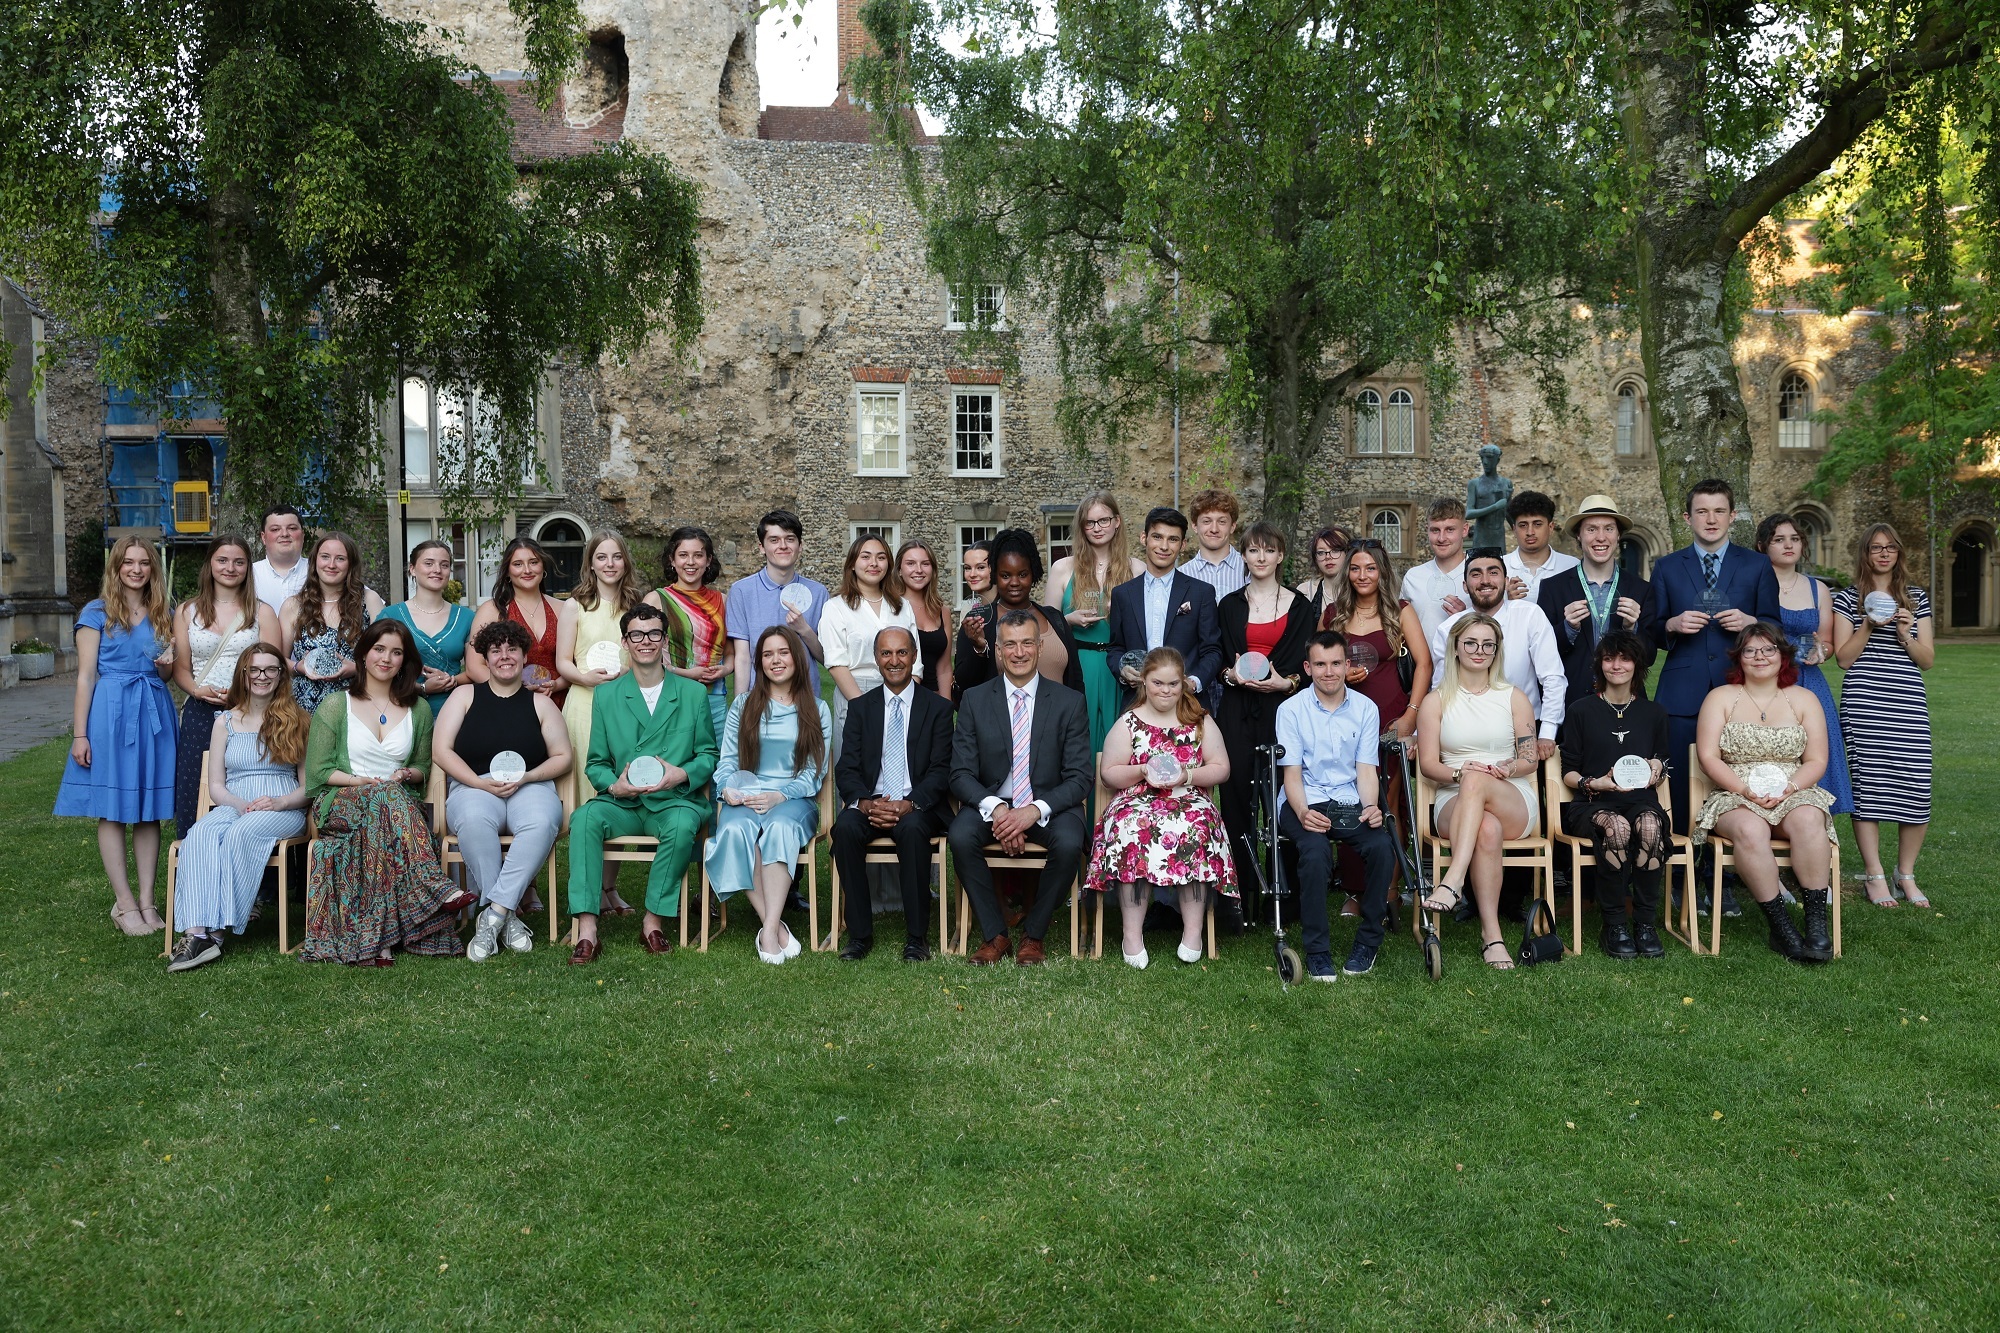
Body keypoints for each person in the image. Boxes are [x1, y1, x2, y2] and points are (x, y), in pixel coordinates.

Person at [299, 619, 469, 965]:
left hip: (395, 806)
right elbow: (317, 775)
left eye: (396, 652)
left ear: (405, 662)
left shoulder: (418, 709)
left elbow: (423, 768)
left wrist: (407, 772)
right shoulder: (335, 705)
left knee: (387, 800)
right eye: (379, 649)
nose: (386, 659)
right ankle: (434, 887)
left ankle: (379, 942)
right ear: (363, 655)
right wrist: (361, 782)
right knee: (386, 796)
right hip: (340, 800)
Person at [565, 603, 719, 964]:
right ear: (625, 642)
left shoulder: (692, 693)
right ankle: (587, 931)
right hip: (625, 802)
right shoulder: (608, 694)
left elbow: (709, 755)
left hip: (673, 800)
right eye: (637, 634)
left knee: (683, 825)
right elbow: (597, 763)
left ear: (664, 640)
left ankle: (653, 922)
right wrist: (614, 787)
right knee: (584, 818)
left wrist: (681, 773)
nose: (645, 641)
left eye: (653, 634)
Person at [947, 609, 1093, 966]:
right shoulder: (975, 700)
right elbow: (960, 774)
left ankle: (1034, 935)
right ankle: (995, 935)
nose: (1019, 652)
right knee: (961, 836)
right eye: (1009, 645)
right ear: (997, 650)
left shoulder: (1068, 702)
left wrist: (1031, 812)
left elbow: (1079, 777)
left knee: (1071, 841)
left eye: (1027, 643)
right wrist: (998, 809)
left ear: (1040, 647)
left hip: (1048, 805)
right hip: (994, 802)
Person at [55, 536, 179, 935]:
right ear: (116, 566)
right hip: (110, 712)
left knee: (148, 808)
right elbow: (86, 676)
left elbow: (164, 673)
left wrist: (167, 662)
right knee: (112, 808)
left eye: (144, 563)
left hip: (153, 707)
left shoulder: (164, 610)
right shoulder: (96, 612)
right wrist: (80, 735)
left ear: (152, 569)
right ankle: (124, 905)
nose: (137, 569)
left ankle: (146, 900)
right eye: (129, 562)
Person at [1693, 623, 1837, 962]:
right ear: (1739, 658)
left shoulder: (1804, 699)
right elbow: (1708, 756)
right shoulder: (1721, 697)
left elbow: (1817, 759)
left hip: (1793, 788)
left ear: (1783, 656)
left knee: (1808, 819)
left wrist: (1791, 788)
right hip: (1735, 791)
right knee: (1750, 828)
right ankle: (1781, 926)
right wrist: (1744, 790)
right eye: (1750, 650)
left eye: (1768, 649)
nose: (1760, 656)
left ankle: (1816, 924)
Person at [433, 619, 574, 962]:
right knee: (472, 819)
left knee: (542, 822)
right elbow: (442, 750)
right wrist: (477, 782)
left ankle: (493, 914)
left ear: (525, 656)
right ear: (485, 658)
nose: (505, 656)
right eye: (496, 650)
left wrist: (528, 777)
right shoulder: (464, 696)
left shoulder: (540, 703)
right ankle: (508, 917)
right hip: (474, 784)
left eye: (513, 649)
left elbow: (563, 756)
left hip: (530, 785)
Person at [166, 644, 312, 971]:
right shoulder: (225, 722)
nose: (262, 676)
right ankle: (195, 931)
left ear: (280, 675)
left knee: (241, 834)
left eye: (270, 669)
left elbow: (307, 788)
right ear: (243, 675)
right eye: (255, 670)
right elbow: (216, 786)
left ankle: (215, 934)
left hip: (281, 808)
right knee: (199, 835)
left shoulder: (297, 720)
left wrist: (279, 802)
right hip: (235, 803)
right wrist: (240, 804)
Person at [1086, 648, 1234, 968]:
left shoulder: (1198, 720)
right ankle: (1132, 934)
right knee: (1130, 827)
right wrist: (1141, 770)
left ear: (1183, 683)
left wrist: (1188, 774)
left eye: (1173, 684)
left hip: (1187, 796)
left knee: (1197, 826)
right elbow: (1108, 773)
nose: (1165, 690)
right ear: (1144, 682)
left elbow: (1221, 767)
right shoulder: (1130, 721)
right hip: (1137, 798)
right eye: (1157, 683)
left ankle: (1192, 931)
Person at [1416, 614, 1542, 971]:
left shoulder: (1513, 697)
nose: (1479, 651)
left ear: (1497, 650)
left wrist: (1508, 767)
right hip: (1452, 798)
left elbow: (1529, 759)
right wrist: (1461, 771)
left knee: (1478, 782)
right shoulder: (1436, 700)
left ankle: (1452, 880)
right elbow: (1428, 766)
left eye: (1488, 644)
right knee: (1484, 821)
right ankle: (1492, 935)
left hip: (1510, 794)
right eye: (1471, 643)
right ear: (1456, 647)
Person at [1274, 631, 1403, 979]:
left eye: (1335, 664)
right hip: (1305, 797)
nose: (1328, 672)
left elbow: (1365, 769)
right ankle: (1317, 951)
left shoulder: (1365, 709)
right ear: (1308, 667)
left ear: (1347, 665)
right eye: (1320, 664)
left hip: (1348, 796)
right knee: (1315, 854)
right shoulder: (1290, 710)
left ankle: (1368, 941)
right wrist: (1302, 812)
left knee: (1380, 847)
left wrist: (1372, 806)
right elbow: (1292, 775)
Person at [706, 626, 832, 963]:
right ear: (760, 663)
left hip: (792, 800)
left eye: (783, 652)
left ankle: (770, 930)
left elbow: (814, 772)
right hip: (746, 796)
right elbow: (728, 760)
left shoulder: (817, 708)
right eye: (767, 654)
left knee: (778, 829)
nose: (776, 660)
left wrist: (780, 795)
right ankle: (773, 929)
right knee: (733, 830)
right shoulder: (743, 705)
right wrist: (727, 789)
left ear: (796, 657)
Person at [1320, 538, 1431, 917]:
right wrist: (1341, 676)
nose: (1362, 575)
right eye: (1355, 568)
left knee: (1387, 803)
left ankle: (1388, 886)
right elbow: (1319, 661)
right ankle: (1354, 889)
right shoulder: (1334, 613)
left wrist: (1411, 716)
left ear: (1382, 571)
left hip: (1389, 720)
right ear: (1346, 572)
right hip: (1343, 720)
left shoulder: (1400, 611)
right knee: (1346, 800)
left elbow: (1425, 664)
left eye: (1370, 568)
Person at [834, 627, 954, 962]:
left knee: (913, 830)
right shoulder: (861, 708)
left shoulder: (939, 709)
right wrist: (866, 803)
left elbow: (941, 770)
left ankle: (917, 938)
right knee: (844, 828)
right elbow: (847, 767)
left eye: (901, 652)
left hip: (918, 805)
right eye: (886, 653)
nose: (894, 660)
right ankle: (859, 935)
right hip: (872, 803)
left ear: (914, 657)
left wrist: (910, 803)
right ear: (876, 660)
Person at [1833, 522, 1935, 908]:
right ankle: (1875, 875)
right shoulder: (1847, 598)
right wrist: (1868, 626)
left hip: (1907, 702)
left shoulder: (1916, 598)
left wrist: (1906, 634)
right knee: (1868, 788)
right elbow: (1843, 658)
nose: (1884, 553)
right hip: (1865, 702)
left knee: (1916, 785)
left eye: (1891, 547)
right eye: (1876, 547)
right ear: (1865, 554)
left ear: (1899, 553)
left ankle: (1904, 873)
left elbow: (1927, 660)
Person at [1215, 524, 1310, 926]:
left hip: (1282, 710)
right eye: (1252, 551)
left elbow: (1302, 671)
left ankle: (1283, 899)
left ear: (1280, 556)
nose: (1260, 558)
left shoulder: (1302, 606)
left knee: (1281, 798)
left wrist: (1283, 683)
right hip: (1236, 708)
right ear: (1245, 557)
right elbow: (1219, 657)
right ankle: (1237, 897)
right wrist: (1230, 676)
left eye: (1268, 551)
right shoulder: (1229, 604)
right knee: (1235, 798)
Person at [1559, 631, 1671, 959]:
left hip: (1641, 801)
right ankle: (1615, 925)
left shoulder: (1654, 713)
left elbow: (1664, 765)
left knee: (1650, 826)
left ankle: (1646, 925)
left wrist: (1656, 767)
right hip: (1593, 803)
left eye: (1624, 658)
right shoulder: (1580, 710)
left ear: (1637, 665)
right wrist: (1595, 783)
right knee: (1617, 827)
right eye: (1609, 658)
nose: (1616, 665)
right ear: (1599, 664)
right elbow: (1568, 771)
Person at [171, 535, 278, 835]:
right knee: (195, 787)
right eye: (222, 560)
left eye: (238, 562)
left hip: (250, 713)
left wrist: (243, 693)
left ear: (247, 568)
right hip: (200, 710)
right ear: (210, 564)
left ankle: (249, 862)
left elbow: (274, 665)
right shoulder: (187, 612)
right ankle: (194, 861)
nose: (230, 568)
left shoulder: (262, 612)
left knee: (248, 786)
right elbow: (181, 668)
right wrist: (195, 690)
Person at [1755, 513, 1853, 818]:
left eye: (1794, 539)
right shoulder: (1753, 585)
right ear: (1763, 546)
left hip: (1808, 681)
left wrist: (1820, 652)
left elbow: (1826, 641)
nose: (1788, 545)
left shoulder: (1817, 590)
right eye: (1779, 539)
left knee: (1815, 753)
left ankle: (1815, 827)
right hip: (1764, 683)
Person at [1427, 548, 1566, 754]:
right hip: (1468, 731)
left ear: (1505, 580)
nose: (1485, 580)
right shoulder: (1449, 629)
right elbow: (1441, 687)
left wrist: (1547, 732)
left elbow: (1552, 677)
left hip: (1525, 728)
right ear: (1465, 586)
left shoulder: (1529, 616)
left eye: (1493, 572)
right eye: (1476, 574)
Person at [1045, 491, 1144, 752]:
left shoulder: (1137, 569)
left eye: (1104, 520)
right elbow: (1044, 627)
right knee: (1079, 740)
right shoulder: (1063, 568)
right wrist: (1069, 620)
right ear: (1082, 527)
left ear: (1117, 521)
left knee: (1120, 739)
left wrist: (1121, 616)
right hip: (1079, 663)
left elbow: (1148, 629)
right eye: (1090, 523)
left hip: (1121, 666)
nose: (1097, 528)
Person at [1538, 496, 1655, 704]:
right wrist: (1568, 628)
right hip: (1571, 703)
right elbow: (1540, 652)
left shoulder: (1641, 589)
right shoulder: (1553, 588)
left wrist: (1632, 627)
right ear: (1579, 536)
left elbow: (1649, 658)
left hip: (1626, 704)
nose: (1601, 537)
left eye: (1609, 529)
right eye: (1591, 529)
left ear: (1618, 535)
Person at [817, 533, 921, 765]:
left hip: (900, 693)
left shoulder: (902, 606)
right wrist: (864, 709)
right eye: (866, 557)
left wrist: (907, 701)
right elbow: (836, 663)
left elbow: (916, 659)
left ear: (889, 565)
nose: (873, 563)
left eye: (881, 557)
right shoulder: (836, 607)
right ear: (852, 564)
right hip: (855, 693)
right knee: (855, 773)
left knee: (900, 770)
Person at [558, 528, 645, 799]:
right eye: (602, 557)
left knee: (624, 764)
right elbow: (562, 661)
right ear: (591, 564)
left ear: (625, 562)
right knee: (586, 765)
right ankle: (585, 828)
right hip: (585, 701)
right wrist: (584, 678)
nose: (609, 564)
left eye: (616, 557)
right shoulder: (575, 606)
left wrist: (628, 671)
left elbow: (643, 655)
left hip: (626, 698)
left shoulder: (636, 605)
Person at [1107, 506, 1222, 704]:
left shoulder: (1201, 593)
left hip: (1187, 702)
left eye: (1173, 539)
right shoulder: (1122, 594)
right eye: (1157, 537)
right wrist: (1122, 668)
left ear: (1183, 544)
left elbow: (1213, 650)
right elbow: (1116, 648)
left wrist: (1193, 683)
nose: (1164, 546)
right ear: (1144, 538)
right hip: (1137, 701)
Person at [953, 528, 1085, 696]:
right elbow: (965, 685)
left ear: (1033, 573)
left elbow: (1076, 681)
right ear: (995, 575)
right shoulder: (980, 620)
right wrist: (979, 648)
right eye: (1006, 576)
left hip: (1059, 720)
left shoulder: (1054, 618)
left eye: (1022, 574)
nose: (1014, 582)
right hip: (1004, 721)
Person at [725, 508, 829, 694]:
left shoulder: (818, 592)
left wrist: (804, 630)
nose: (783, 545)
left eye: (790, 539)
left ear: (800, 545)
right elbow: (742, 656)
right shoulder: (741, 591)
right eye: (774, 540)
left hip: (806, 698)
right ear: (761, 547)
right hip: (760, 698)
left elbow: (826, 657)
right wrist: (740, 705)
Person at [278, 531, 384, 713]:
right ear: (314, 561)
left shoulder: (369, 600)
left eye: (340, 559)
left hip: (358, 704)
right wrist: (299, 667)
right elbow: (277, 660)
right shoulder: (294, 605)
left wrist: (357, 668)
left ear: (351, 564)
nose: (331, 565)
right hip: (305, 709)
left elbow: (386, 653)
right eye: (325, 557)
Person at [646, 525, 733, 741]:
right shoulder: (656, 600)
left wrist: (725, 670)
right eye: (683, 555)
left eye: (698, 555)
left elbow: (731, 652)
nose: (691, 562)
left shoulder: (722, 601)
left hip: (714, 698)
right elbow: (644, 656)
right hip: (671, 696)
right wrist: (688, 674)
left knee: (715, 765)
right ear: (672, 561)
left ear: (708, 560)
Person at [378, 540, 474, 716]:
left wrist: (452, 680)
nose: (437, 570)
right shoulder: (390, 616)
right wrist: (421, 687)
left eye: (444, 565)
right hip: (402, 709)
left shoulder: (466, 618)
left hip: (454, 711)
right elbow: (376, 669)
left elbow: (476, 671)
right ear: (412, 569)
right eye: (428, 563)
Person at [467, 536, 565, 708]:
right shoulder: (492, 610)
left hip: (559, 702)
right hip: (509, 703)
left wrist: (557, 685)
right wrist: (515, 689)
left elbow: (577, 663)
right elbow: (474, 667)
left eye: (533, 562)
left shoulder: (563, 609)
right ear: (508, 572)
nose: (527, 570)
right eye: (518, 564)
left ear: (543, 567)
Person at [1400, 497, 1472, 644]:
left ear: (1464, 530)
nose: (1441, 538)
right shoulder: (1413, 577)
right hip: (1422, 665)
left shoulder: (1480, 577)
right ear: (1427, 530)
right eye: (1435, 530)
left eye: (1450, 530)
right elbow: (1401, 627)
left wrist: (1466, 618)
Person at [896, 539, 954, 700]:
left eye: (925, 564)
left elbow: (944, 668)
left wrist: (945, 707)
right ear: (899, 569)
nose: (919, 570)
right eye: (911, 563)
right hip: (903, 699)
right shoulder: (891, 609)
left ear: (933, 570)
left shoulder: (943, 612)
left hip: (934, 699)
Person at [1503, 490, 1580, 603]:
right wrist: (1504, 601)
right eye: (1523, 525)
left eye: (1537, 524)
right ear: (1514, 529)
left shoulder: (1572, 567)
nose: (1530, 532)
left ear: (1550, 527)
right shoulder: (1499, 568)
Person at [949, 538, 999, 706]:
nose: (972, 574)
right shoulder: (970, 611)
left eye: (980, 567)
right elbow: (963, 674)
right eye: (967, 568)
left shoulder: (1006, 611)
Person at [1179, 488, 1248, 600]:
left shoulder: (1250, 570)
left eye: (1222, 522)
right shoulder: (1181, 576)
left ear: (1232, 527)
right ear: (1195, 526)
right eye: (1207, 521)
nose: (1214, 529)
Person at [251, 505, 309, 618]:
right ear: (263, 537)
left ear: (302, 535)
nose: (284, 534)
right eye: (275, 529)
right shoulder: (249, 575)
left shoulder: (319, 572)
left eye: (292, 528)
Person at [1294, 525, 1353, 620]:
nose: (1328, 557)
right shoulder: (1305, 592)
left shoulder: (1358, 590)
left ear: (1347, 553)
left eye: (1335, 550)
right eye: (1321, 552)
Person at [1464, 443, 1514, 551]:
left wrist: (1517, 529)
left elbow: (1508, 513)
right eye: (1482, 458)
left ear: (1497, 460)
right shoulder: (1475, 484)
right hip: (1481, 538)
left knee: (1499, 566)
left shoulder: (1506, 483)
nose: (1485, 462)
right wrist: (1494, 507)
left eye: (1489, 458)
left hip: (1498, 537)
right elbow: (1468, 513)